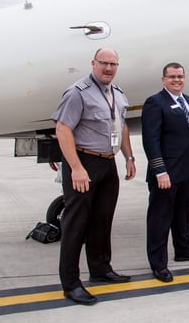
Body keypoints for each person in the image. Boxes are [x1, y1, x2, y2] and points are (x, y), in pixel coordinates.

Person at [51, 48, 137, 305]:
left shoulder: (118, 94)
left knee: (102, 220)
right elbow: (63, 129)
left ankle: (100, 269)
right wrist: (76, 168)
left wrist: (128, 157)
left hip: (108, 163)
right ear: (93, 63)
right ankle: (71, 284)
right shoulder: (77, 93)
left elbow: (121, 126)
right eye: (104, 63)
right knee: (75, 225)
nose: (109, 68)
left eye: (113, 64)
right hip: (84, 162)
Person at [141, 62, 189, 283]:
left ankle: (184, 250)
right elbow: (150, 140)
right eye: (172, 77)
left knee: (182, 215)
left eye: (180, 76)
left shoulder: (188, 101)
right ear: (164, 79)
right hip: (166, 174)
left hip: (186, 170)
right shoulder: (155, 103)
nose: (176, 80)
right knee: (160, 219)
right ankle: (158, 264)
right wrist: (159, 170)